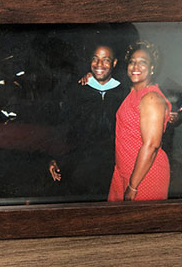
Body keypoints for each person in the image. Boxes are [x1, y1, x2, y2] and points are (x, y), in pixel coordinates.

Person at [48, 44, 127, 200]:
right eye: (95, 59)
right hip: (78, 164)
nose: (99, 65)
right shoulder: (77, 90)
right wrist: (53, 156)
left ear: (114, 63)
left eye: (106, 60)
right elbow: (63, 126)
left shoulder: (124, 92)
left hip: (113, 165)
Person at [108, 41, 172, 202]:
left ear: (152, 68)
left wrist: (133, 186)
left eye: (143, 62)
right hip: (123, 170)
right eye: (132, 62)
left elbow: (151, 146)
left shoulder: (151, 98)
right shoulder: (133, 92)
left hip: (143, 176)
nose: (135, 66)